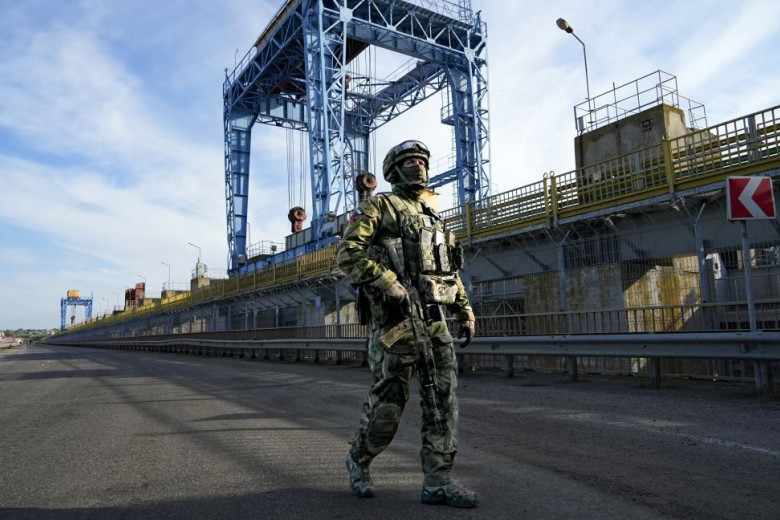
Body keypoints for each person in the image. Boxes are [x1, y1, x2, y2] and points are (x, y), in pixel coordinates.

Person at [336, 140, 479, 508]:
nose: (419, 166)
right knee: (388, 406)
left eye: (422, 160)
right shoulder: (380, 206)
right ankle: (359, 459)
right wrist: (386, 280)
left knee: (442, 404)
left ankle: (438, 482)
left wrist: (464, 310)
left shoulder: (433, 215)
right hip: (395, 326)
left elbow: (447, 270)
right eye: (410, 161)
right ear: (394, 170)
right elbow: (347, 253)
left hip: (434, 323)